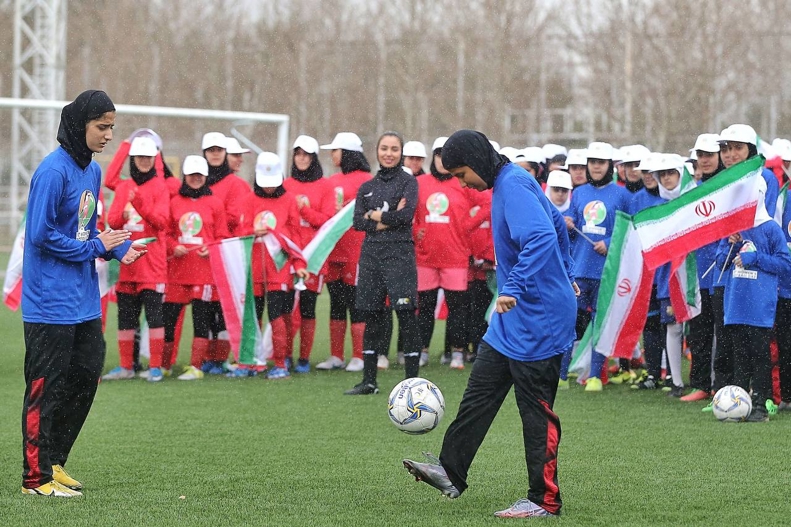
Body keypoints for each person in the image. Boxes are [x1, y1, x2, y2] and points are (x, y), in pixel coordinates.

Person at [403, 130, 576, 518]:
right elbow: (559, 226)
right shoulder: (508, 180)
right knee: (479, 395)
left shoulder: (512, 185)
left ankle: (543, 500)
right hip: (511, 318)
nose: (462, 182)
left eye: (463, 173)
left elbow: (541, 237)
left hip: (539, 318)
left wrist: (515, 284)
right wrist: (569, 273)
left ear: (478, 162)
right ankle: (450, 470)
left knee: (536, 412)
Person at [21, 90, 144, 497]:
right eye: (101, 127)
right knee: (46, 386)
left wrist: (121, 247)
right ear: (79, 125)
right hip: (49, 303)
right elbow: (40, 236)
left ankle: (54, 461)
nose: (109, 135)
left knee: (85, 379)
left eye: (112, 127)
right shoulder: (52, 172)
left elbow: (88, 226)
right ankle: (34, 478)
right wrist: (97, 248)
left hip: (84, 301)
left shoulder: (91, 171)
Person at [345, 131, 421, 395]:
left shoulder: (408, 183)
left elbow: (407, 216)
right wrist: (389, 217)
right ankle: (369, 381)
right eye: (384, 148)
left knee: (406, 315)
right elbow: (357, 222)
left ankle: (412, 383)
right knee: (373, 316)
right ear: (376, 151)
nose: (389, 153)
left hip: (400, 256)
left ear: (401, 153)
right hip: (371, 257)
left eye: (394, 149)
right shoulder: (367, 187)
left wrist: (376, 216)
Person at [716, 181, 790, 421]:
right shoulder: (733, 229)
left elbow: (785, 264)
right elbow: (720, 263)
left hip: (760, 306)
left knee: (760, 355)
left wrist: (756, 258)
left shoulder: (770, 228)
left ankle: (761, 404)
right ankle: (739, 405)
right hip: (736, 303)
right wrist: (731, 245)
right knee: (740, 356)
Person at [103, 136, 170, 382]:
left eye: (148, 157)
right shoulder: (123, 186)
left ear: (154, 160)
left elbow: (162, 223)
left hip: (152, 265)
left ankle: (154, 367)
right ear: (133, 159)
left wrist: (139, 202)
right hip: (126, 262)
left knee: (154, 316)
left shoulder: (160, 187)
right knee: (125, 317)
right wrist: (123, 210)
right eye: (140, 157)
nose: (144, 161)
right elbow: (113, 221)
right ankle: (126, 366)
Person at [565, 142, 630, 391]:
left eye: (600, 163)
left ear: (610, 166)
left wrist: (609, 242)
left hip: (606, 271)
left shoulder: (623, 195)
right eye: (592, 162)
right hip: (579, 268)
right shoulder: (579, 193)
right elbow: (569, 228)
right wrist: (567, 223)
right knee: (569, 322)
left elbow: (628, 231)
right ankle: (561, 375)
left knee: (600, 323)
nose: (595, 167)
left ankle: (595, 375)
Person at [239, 152, 310, 379]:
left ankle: (280, 362)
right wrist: (253, 231)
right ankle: (252, 361)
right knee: (254, 314)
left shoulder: (289, 200)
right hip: (254, 269)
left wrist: (299, 263)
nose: (269, 189)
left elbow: (295, 237)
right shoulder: (249, 200)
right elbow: (240, 233)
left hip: (279, 268)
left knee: (278, 314)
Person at [162, 155, 230, 380]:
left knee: (201, 321)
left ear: (205, 177)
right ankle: (164, 365)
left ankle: (196, 367)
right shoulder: (174, 202)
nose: (196, 179)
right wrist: (175, 246)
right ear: (185, 176)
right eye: (192, 175)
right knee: (169, 320)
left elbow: (222, 237)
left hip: (204, 274)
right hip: (178, 273)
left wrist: (211, 248)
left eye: (200, 175)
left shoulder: (215, 203)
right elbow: (168, 233)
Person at [413, 137, 475, 370]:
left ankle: (457, 353)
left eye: (446, 155)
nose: (441, 160)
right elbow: (408, 212)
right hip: (426, 258)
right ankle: (422, 351)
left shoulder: (463, 182)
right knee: (425, 308)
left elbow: (487, 205)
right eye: (438, 155)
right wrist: (415, 231)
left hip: (455, 259)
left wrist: (466, 227)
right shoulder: (420, 183)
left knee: (457, 309)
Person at [315, 133, 372, 372]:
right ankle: (336, 355)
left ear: (347, 153)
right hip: (334, 251)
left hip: (356, 252)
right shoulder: (331, 181)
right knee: (337, 303)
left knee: (356, 303)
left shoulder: (367, 181)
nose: (332, 155)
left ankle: (359, 356)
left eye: (336, 150)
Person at [281, 135, 334, 372]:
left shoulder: (325, 186)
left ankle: (304, 357)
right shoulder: (286, 184)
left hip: (314, 255)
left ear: (313, 158)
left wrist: (305, 211)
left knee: (307, 308)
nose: (302, 158)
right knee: (285, 309)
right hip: (289, 255)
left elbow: (327, 221)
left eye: (306, 154)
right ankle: (284, 355)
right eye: (298, 154)